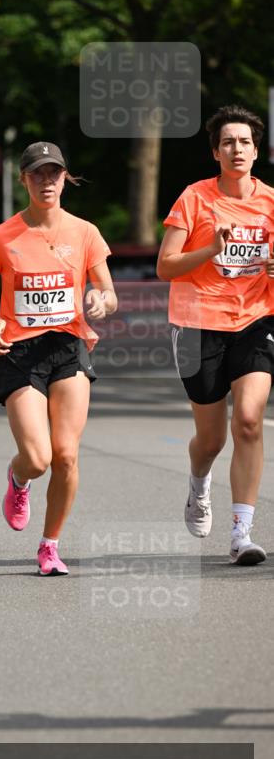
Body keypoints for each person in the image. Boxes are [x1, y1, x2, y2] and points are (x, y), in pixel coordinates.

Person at [0, 142, 117, 576]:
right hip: (21, 351)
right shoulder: (3, 235)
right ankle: (19, 480)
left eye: (54, 173)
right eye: (37, 174)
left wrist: (101, 301)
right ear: (24, 180)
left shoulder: (84, 232)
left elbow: (106, 291)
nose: (47, 181)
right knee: (38, 457)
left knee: (67, 455)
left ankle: (50, 546)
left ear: (65, 178)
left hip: (69, 346)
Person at [157, 104, 274, 565]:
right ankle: (199, 483)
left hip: (256, 320)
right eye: (228, 142)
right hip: (197, 322)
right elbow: (165, 267)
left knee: (248, 419)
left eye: (244, 141)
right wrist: (211, 248)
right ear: (216, 152)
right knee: (211, 440)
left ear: (256, 150)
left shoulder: (271, 203)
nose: (237, 149)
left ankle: (241, 533)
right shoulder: (195, 199)